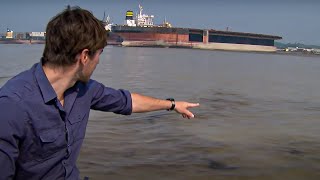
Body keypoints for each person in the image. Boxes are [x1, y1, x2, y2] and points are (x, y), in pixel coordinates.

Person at [0, 6, 199, 180]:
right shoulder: (12, 106)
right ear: (85, 56)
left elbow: (128, 101)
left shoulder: (84, 89)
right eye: (99, 55)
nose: (99, 62)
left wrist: (172, 105)